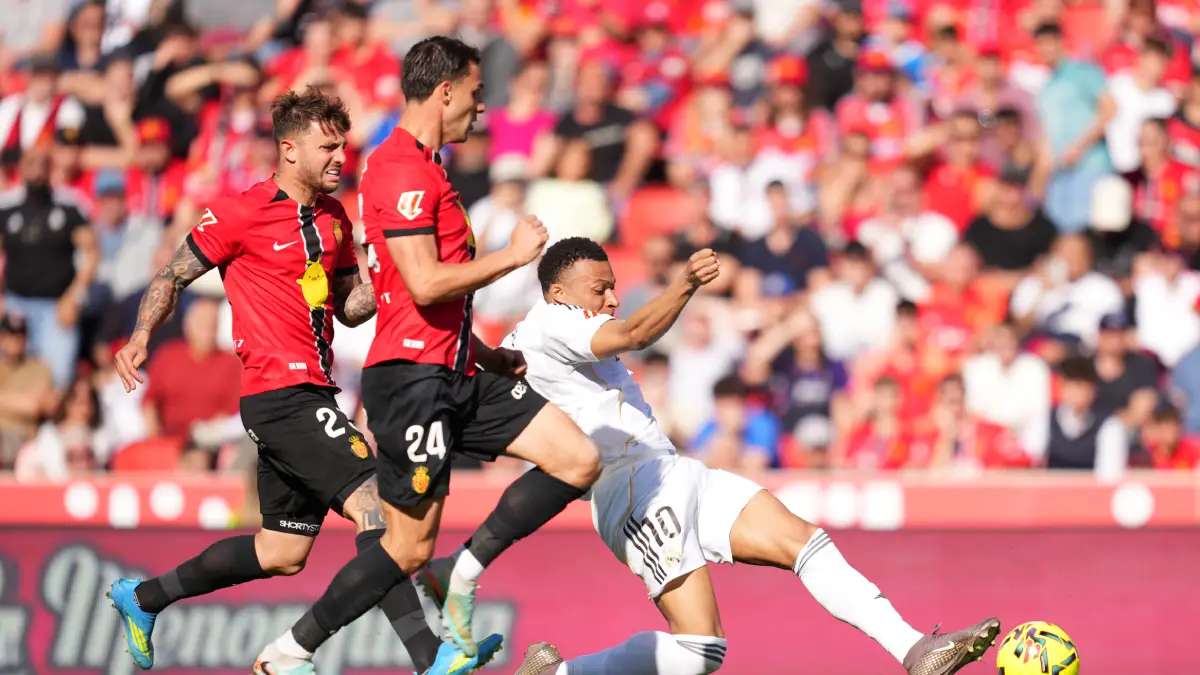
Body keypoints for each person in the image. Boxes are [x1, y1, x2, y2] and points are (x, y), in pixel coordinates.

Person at [106, 87, 499, 675]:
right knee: (378, 509)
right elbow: (169, 276)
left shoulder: (335, 218)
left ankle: (143, 597)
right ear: (289, 150)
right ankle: (429, 656)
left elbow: (349, 306)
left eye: (344, 145)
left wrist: (396, 280)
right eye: (328, 147)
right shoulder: (241, 212)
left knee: (281, 552)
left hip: (311, 393)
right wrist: (140, 337)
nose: (341, 157)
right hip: (278, 394)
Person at [475, 237, 1000, 675]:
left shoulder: (559, 326)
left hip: (671, 470)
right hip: (632, 492)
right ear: (558, 291)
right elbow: (633, 334)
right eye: (600, 288)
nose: (613, 297)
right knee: (702, 650)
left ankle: (913, 649)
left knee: (805, 542)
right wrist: (684, 283)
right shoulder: (553, 321)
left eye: (614, 285)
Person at [254, 36, 601, 674]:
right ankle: (288, 652)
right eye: (475, 92)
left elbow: (421, 298)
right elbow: (422, 283)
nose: (482, 106)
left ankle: (460, 571)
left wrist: (487, 356)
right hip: (412, 380)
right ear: (445, 91)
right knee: (404, 547)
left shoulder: (428, 166)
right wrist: (513, 257)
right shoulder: (400, 168)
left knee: (577, 459)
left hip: (456, 368)